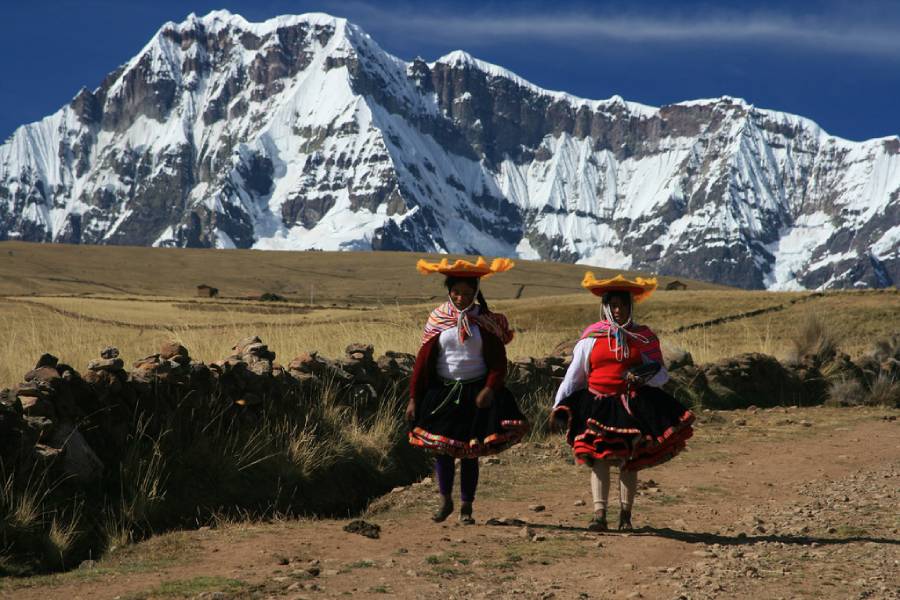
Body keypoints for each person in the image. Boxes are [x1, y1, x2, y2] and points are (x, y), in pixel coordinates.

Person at [552, 273, 694, 531]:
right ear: (606, 306)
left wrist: (643, 378)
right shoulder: (591, 338)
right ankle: (599, 514)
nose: (618, 311)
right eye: (614, 305)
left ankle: (625, 517)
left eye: (623, 305)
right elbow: (575, 376)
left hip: (632, 405)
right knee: (599, 457)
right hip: (597, 404)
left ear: (631, 307)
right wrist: (557, 406)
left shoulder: (644, 338)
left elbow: (661, 374)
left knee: (630, 458)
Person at [407, 257, 528, 524]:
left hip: (476, 397)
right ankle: (445, 500)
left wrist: (489, 389)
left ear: (476, 293)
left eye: (467, 292)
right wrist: (414, 397)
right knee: (444, 450)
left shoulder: (485, 322)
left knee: (471, 453)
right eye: (456, 292)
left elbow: (498, 363)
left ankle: (466, 507)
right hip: (443, 393)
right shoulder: (438, 319)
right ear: (449, 292)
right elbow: (422, 363)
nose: (461, 297)